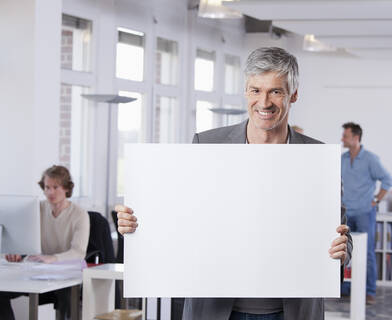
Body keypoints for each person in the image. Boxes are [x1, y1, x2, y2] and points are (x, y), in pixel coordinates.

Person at [116, 47, 353, 320]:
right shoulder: (207, 145)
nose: (264, 102)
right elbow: (179, 219)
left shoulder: (318, 159)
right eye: (255, 90)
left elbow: (339, 234)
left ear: (294, 94)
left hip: (289, 311)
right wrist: (136, 226)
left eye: (276, 91)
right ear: (245, 91)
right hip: (216, 311)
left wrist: (342, 249)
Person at [0, 165, 90, 320]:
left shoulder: (79, 214)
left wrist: (53, 258)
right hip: (38, 271)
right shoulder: (36, 209)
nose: (50, 192)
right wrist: (15, 250)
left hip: (66, 273)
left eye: (55, 187)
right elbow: (23, 237)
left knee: (66, 296)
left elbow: (78, 252)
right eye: (47, 187)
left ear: (67, 188)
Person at [340, 122, 392, 305]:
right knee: (345, 252)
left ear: (355, 138)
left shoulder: (370, 159)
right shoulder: (343, 159)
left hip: (364, 213)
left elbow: (387, 180)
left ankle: (369, 291)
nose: (342, 139)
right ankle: (344, 288)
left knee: (367, 253)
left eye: (345, 136)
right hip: (346, 213)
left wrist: (376, 200)